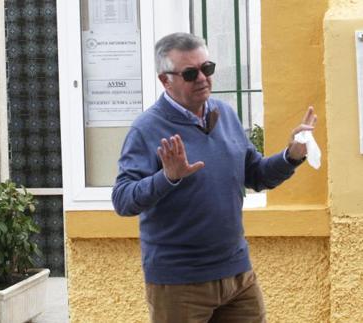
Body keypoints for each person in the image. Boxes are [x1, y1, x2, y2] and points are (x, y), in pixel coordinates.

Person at [111, 32, 317, 323]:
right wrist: (167, 177)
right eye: (190, 73)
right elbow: (122, 200)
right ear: (165, 80)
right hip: (179, 283)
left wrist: (291, 155)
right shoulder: (146, 129)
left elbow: (256, 175)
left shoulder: (226, 114)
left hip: (237, 275)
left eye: (207, 68)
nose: (202, 78)